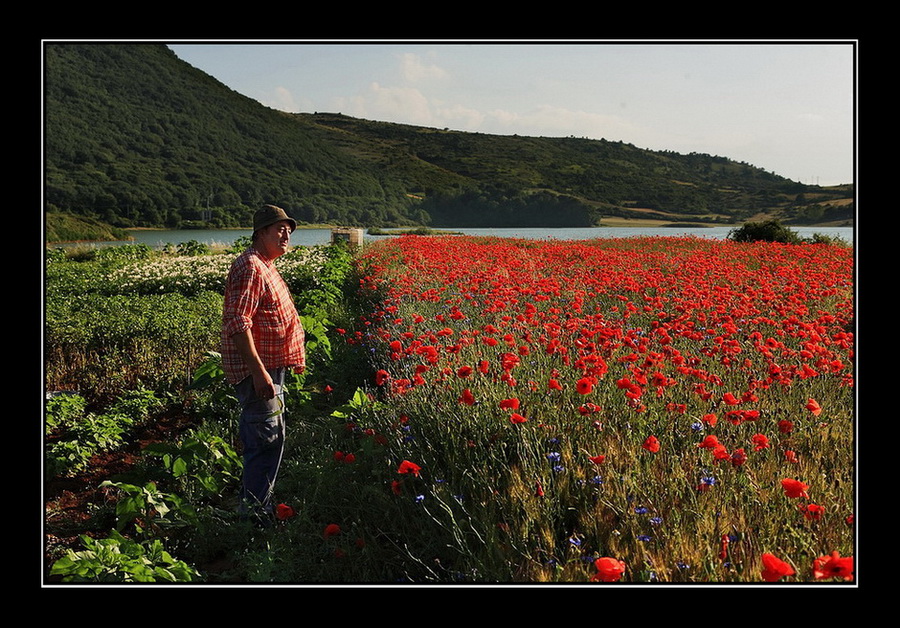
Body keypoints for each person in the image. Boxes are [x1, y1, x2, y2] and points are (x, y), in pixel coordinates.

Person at [221, 204, 306, 525]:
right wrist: (258, 372)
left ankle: (259, 506)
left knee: (271, 438)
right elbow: (237, 322)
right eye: (278, 229)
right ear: (260, 233)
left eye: (288, 229)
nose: (286, 234)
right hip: (260, 372)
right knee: (265, 441)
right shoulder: (250, 267)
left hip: (271, 369)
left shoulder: (264, 264)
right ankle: (254, 517)